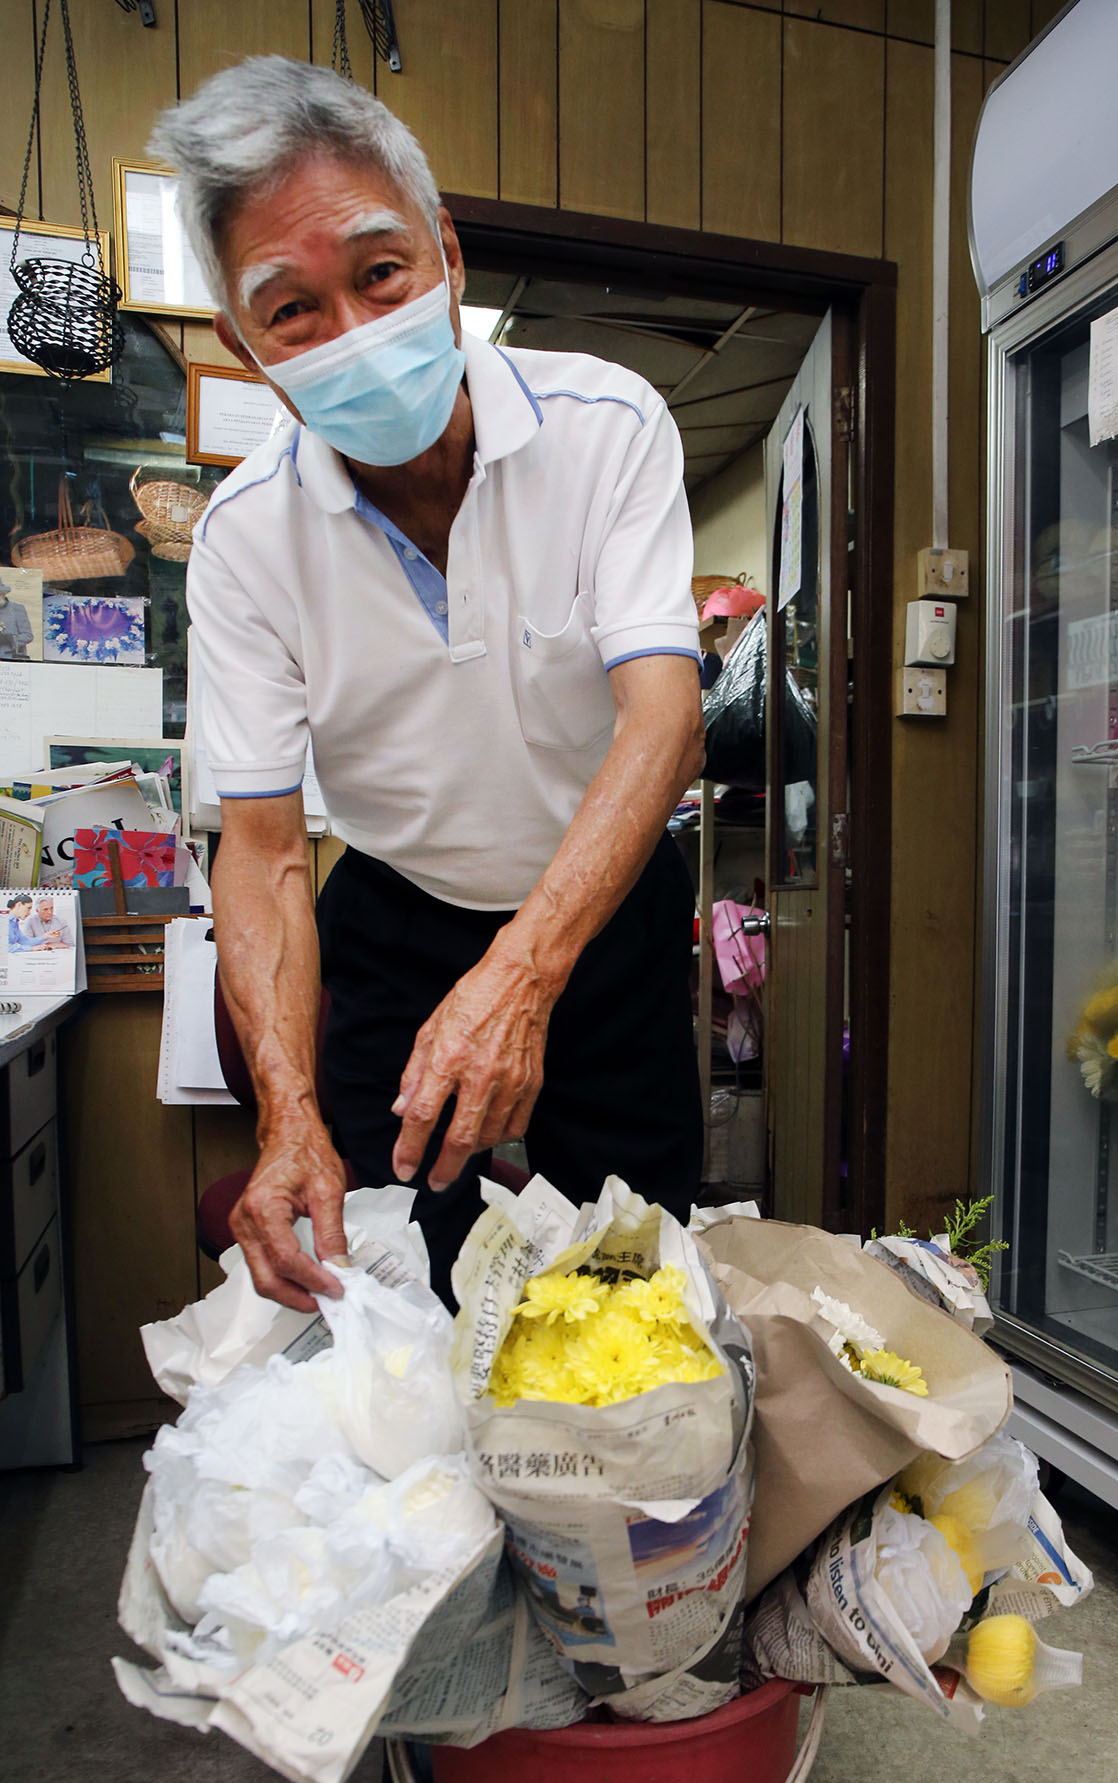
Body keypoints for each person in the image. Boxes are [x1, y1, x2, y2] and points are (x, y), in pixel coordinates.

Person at [157, 58, 705, 1310]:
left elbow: (661, 715)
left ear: (445, 252)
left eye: (379, 272)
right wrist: (285, 1111)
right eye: (290, 310)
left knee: (628, 1272)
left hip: (601, 912)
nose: (350, 329)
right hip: (395, 920)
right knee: (380, 1272)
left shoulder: (606, 425)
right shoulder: (246, 536)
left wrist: (522, 975)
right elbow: (262, 849)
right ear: (247, 345)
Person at [0, 579, 34, 663]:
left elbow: (28, 635)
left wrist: (11, 639)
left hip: (11, 659)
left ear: (3, 593)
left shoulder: (16, 608)